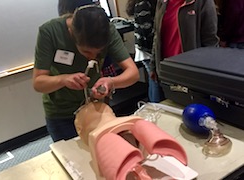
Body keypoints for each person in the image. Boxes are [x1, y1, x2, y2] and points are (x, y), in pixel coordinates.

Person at [33, 5, 140, 142]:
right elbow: (38, 83)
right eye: (86, 52)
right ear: (71, 33)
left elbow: (133, 73)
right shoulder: (50, 32)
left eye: (98, 52)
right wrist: (63, 80)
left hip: (96, 109)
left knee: (103, 153)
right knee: (70, 160)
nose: (92, 57)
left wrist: (111, 82)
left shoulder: (108, 30)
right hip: (62, 114)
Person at [150, 0, 219, 98]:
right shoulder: (162, 2)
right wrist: (153, 65)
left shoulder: (202, 2)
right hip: (166, 72)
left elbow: (210, 42)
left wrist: (209, 77)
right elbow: (157, 36)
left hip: (190, 76)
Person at [126, 0, 164, 103]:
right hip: (148, 50)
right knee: (155, 81)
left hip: (149, 48)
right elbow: (147, 31)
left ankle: (152, 108)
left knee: (153, 82)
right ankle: (155, 109)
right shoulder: (143, 4)